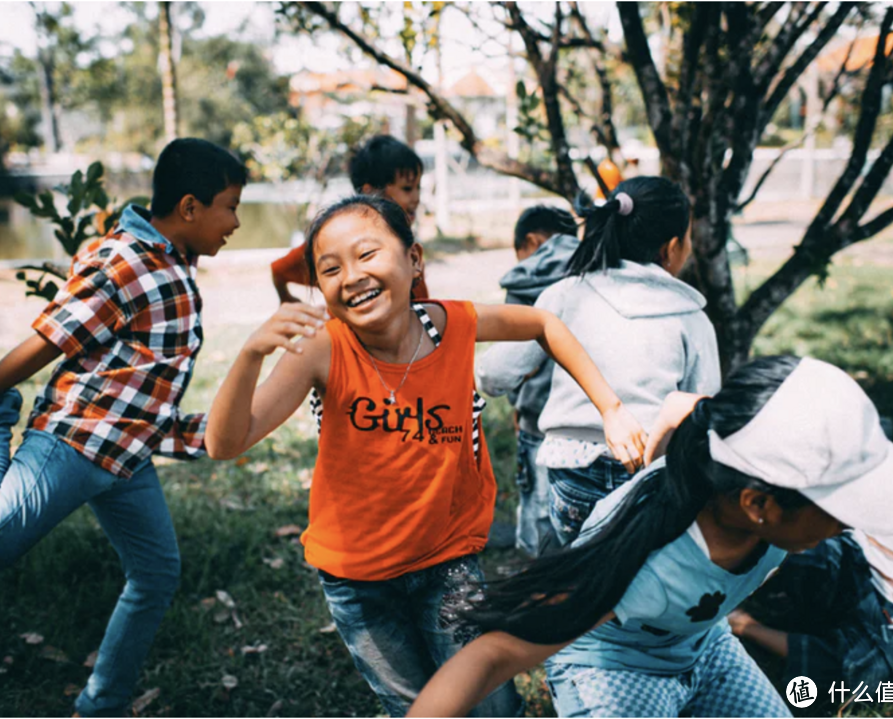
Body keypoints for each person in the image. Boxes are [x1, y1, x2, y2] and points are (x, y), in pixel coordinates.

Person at [205, 195, 647, 717]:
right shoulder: (324, 348)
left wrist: (611, 408)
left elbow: (544, 325)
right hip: (358, 581)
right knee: (416, 707)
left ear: (414, 260)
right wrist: (251, 354)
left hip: (447, 562)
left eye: (367, 254)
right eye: (330, 268)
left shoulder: (453, 325)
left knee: (490, 704)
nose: (351, 276)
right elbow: (225, 443)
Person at [408, 356, 893, 718]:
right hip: (614, 668)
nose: (849, 523)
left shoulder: (731, 447)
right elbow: (494, 654)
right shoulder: (644, 563)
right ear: (758, 505)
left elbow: (687, 408)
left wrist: (662, 438)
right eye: (839, 507)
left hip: (702, 644)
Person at [0, 138, 247, 717]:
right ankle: (2, 415)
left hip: (126, 455)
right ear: (192, 207)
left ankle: (101, 706)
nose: (237, 222)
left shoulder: (172, 259)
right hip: (76, 439)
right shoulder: (126, 259)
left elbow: (141, 376)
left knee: (155, 572)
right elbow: (51, 339)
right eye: (230, 206)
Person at [478, 176, 719, 548]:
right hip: (648, 475)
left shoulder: (564, 295)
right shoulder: (691, 317)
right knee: (630, 580)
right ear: (672, 247)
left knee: (578, 575)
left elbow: (493, 375)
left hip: (571, 474)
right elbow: (702, 408)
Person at [728, 369, 893, 701]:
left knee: (877, 670)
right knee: (794, 538)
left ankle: (745, 626)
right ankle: (729, 593)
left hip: (892, 601)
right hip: (849, 555)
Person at [493, 205, 580, 556]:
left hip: (537, 419)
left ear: (530, 241)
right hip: (585, 422)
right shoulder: (593, 273)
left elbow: (510, 362)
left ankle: (534, 581)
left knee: (536, 512)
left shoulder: (526, 281)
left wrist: (517, 402)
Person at [271, 134, 429, 304]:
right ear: (371, 193)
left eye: (418, 187)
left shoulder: (404, 239)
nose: (416, 197)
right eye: (407, 189)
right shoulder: (337, 239)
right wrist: (286, 299)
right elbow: (279, 269)